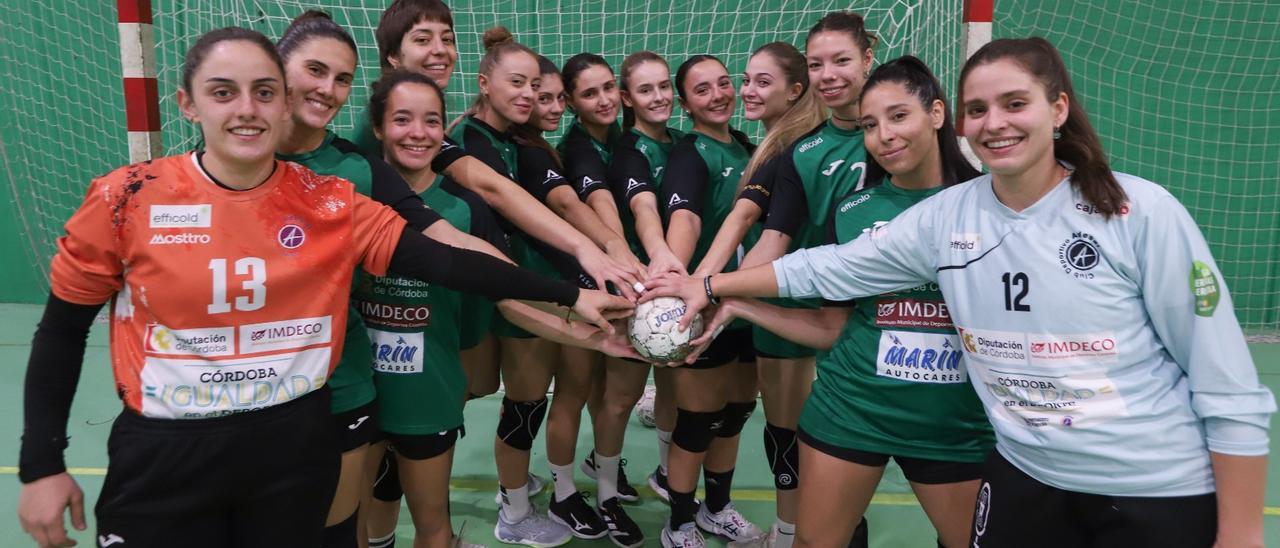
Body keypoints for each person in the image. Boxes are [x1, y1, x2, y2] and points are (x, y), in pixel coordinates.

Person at [645, 37, 1276, 548]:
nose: (994, 124)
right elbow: (827, 268)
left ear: (1058, 108)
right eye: (981, 110)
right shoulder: (946, 215)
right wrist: (711, 285)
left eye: (1014, 104)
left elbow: (1228, 387)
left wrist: (1243, 533)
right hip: (1026, 473)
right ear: (964, 120)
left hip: (1145, 484)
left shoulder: (1139, 212)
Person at [16, 26, 632, 548]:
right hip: (165, 452)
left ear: (284, 103)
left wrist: (572, 295)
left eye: (263, 93)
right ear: (187, 103)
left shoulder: (331, 199)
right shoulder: (124, 198)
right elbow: (62, 332)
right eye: (222, 93)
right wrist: (41, 465)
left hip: (295, 441)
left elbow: (444, 262)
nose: (247, 110)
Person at [699, 56, 991, 548]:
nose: (885, 136)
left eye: (899, 116)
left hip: (952, 422)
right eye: (872, 125)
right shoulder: (854, 211)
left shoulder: (987, 205)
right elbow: (830, 328)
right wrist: (740, 306)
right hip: (851, 409)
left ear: (937, 114)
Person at [362, 68, 642, 548]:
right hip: (360, 390)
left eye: (432, 121)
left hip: (429, 392)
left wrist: (583, 332)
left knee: (433, 522)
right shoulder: (355, 190)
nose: (418, 133)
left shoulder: (465, 207)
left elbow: (505, 294)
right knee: (368, 508)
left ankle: (510, 503)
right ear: (377, 128)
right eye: (402, 119)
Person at [684, 41, 827, 548]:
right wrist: (703, 284)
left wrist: (706, 288)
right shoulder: (771, 142)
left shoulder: (794, 146)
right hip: (778, 300)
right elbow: (741, 218)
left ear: (795, 91)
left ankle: (788, 536)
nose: (745, 90)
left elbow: (759, 228)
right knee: (783, 428)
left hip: (792, 303)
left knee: (787, 432)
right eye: (745, 78)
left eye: (761, 82)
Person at [511, 54, 648, 547]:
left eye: (609, 87)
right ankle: (565, 493)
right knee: (569, 392)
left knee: (611, 396)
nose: (605, 99)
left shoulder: (627, 143)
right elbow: (582, 203)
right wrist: (622, 255)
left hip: (619, 283)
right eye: (589, 93)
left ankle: (605, 488)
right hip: (575, 287)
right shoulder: (563, 149)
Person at [656, 54, 765, 548]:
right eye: (703, 90)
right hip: (704, 304)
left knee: (737, 411)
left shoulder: (748, 147)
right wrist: (683, 281)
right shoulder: (690, 153)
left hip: (747, 304)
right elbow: (686, 217)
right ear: (685, 103)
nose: (719, 94)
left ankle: (716, 510)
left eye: (724, 83)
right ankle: (679, 522)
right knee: (698, 421)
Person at [606, 50, 688, 506]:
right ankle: (605, 481)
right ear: (627, 98)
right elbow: (644, 209)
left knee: (673, 384)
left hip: (677, 287)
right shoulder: (629, 152)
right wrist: (659, 258)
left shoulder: (681, 142)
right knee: (622, 396)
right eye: (645, 90)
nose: (659, 97)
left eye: (663, 87)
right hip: (637, 287)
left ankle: (664, 471)